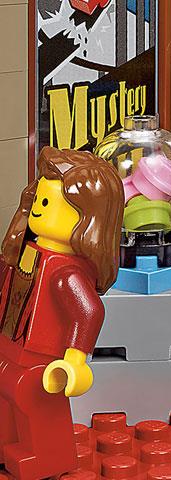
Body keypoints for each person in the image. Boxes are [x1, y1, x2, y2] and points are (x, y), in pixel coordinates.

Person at [0, 147, 124, 480]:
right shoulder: (28, 251)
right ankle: (7, 443)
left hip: (41, 358)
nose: (38, 208)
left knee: (35, 401)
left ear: (86, 220)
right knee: (6, 396)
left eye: (46, 202)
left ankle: (45, 455)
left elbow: (89, 311)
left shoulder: (65, 272)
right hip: (10, 345)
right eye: (37, 199)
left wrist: (75, 360)